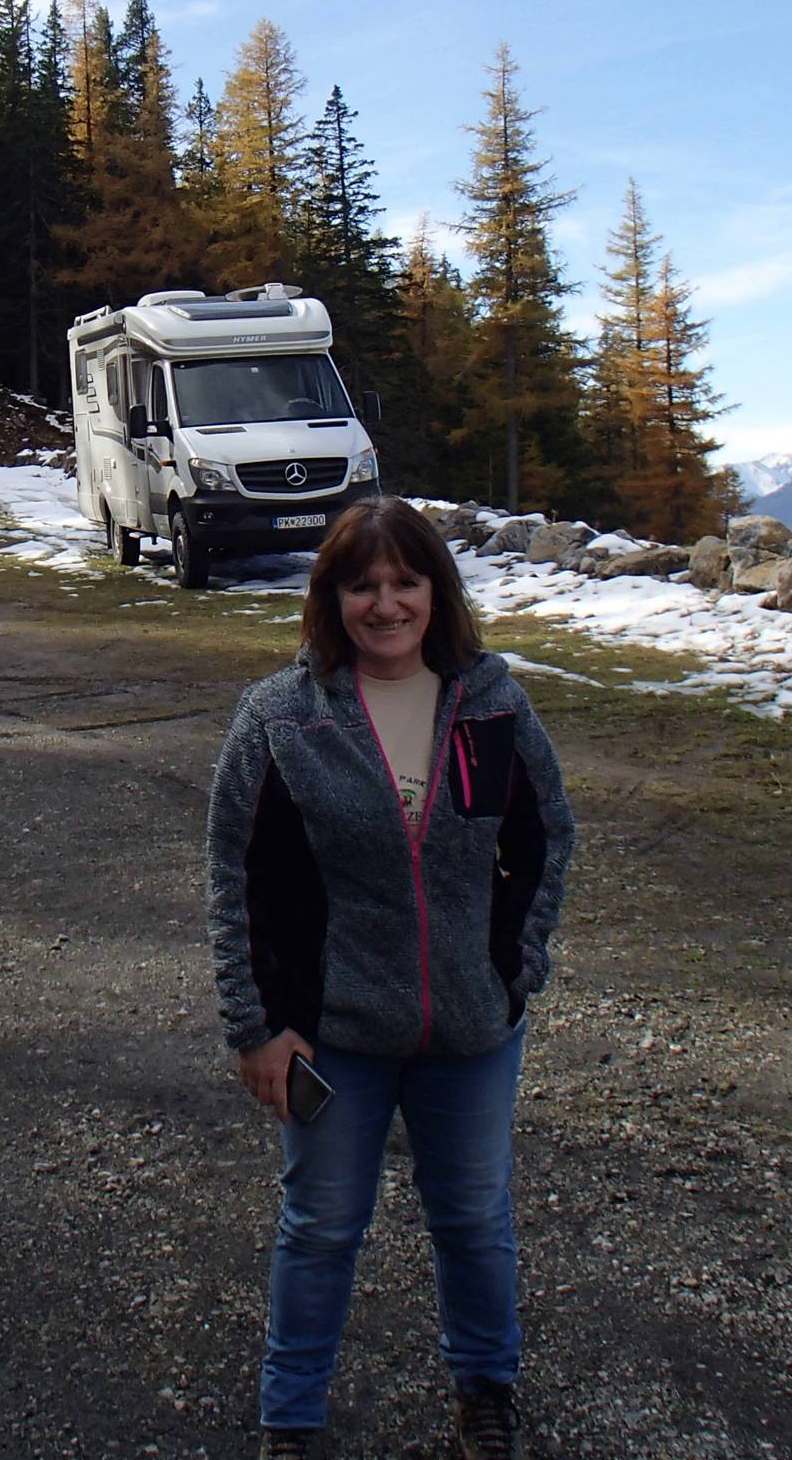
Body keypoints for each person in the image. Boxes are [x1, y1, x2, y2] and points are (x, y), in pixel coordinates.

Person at [205, 495, 578, 1459]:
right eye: (361, 584)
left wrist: (514, 967)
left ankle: (487, 1391)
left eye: (405, 581)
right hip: (333, 1039)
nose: (385, 604)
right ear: (331, 598)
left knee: (474, 1221)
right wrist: (256, 1027)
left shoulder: (489, 703)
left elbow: (545, 840)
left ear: (435, 592)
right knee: (321, 1227)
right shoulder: (284, 719)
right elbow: (234, 876)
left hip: (470, 1033)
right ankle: (292, 1419)